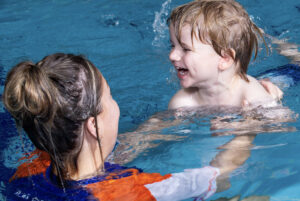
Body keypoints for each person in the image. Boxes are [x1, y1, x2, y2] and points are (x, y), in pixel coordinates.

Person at [3, 53, 253, 201]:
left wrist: (162, 123)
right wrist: (248, 131)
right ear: (93, 125)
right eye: (110, 97)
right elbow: (218, 176)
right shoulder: (134, 191)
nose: (116, 105)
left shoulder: (27, 172)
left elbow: (106, 162)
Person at [167, 0, 279, 109]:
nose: (172, 56)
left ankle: (285, 48)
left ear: (225, 58)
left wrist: (245, 126)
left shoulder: (251, 95)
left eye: (186, 49)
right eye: (172, 46)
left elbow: (281, 122)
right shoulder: (182, 101)